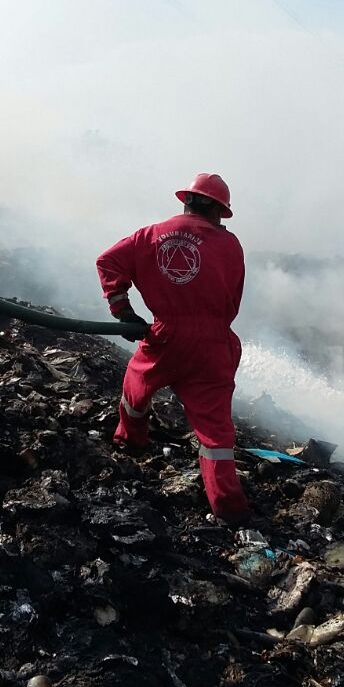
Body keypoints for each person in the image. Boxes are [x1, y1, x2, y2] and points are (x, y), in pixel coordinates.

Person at [96, 173, 251, 522]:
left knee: (136, 388)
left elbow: (107, 261)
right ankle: (228, 506)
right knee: (215, 431)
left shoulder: (149, 235)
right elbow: (233, 295)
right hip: (213, 341)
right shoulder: (230, 246)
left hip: (165, 334)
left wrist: (122, 310)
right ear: (216, 209)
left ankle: (131, 440)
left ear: (188, 201)